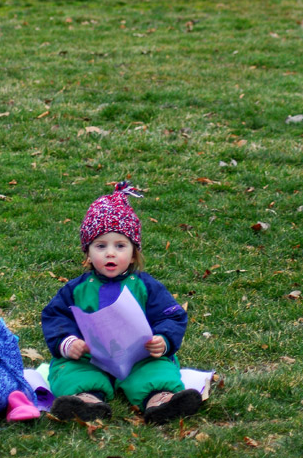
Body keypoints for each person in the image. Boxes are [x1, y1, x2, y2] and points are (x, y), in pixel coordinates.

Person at [41, 181, 202, 424]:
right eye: (100, 246)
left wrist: (163, 340)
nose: (110, 253)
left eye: (120, 245)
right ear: (87, 252)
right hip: (89, 359)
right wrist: (68, 342)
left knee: (157, 370)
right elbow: (55, 316)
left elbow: (171, 315)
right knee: (69, 372)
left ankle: (162, 400)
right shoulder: (75, 290)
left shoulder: (146, 286)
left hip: (138, 356)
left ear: (134, 251)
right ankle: (86, 400)